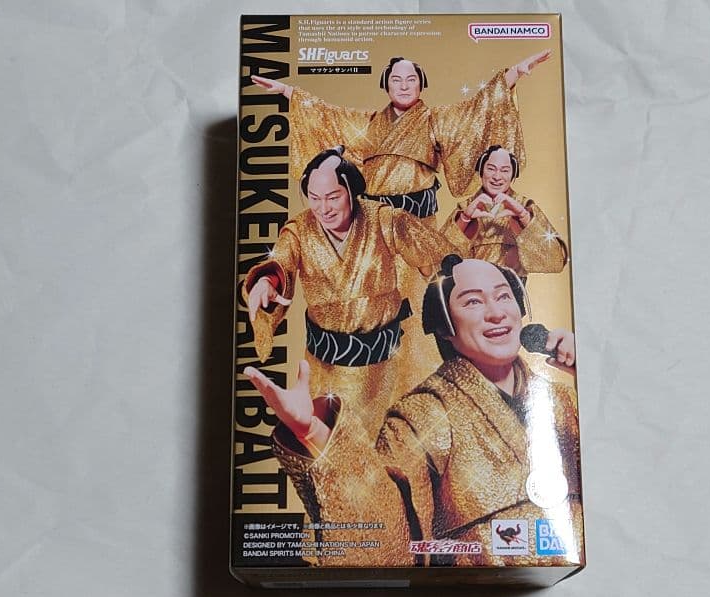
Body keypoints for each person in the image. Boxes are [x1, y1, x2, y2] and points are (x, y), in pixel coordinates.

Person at [244, 255, 583, 567]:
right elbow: (389, 527)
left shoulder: (562, 400)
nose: (497, 313)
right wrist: (313, 430)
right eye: (473, 302)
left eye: (504, 296)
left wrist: (585, 374)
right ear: (445, 328)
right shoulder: (424, 413)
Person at [243, 147, 455, 436]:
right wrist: (268, 282)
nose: (324, 208)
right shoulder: (299, 230)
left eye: (333, 197)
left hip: (382, 366)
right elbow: (281, 261)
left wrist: (459, 275)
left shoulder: (383, 219)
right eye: (314, 198)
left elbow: (436, 255)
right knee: (327, 442)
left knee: (384, 442)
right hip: (325, 365)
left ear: (352, 191)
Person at [250, 51, 551, 221]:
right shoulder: (368, 123)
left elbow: (478, 106)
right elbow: (327, 114)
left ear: (421, 85)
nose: (404, 86)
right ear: (387, 85)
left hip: (418, 215)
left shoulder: (435, 119)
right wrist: (288, 91)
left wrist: (515, 73)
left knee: (417, 293)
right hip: (373, 217)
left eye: (411, 79)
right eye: (396, 80)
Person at [442, 145, 569, 279]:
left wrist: (523, 216)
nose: (497, 177)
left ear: (513, 174)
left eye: (505, 170)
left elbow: (556, 262)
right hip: (473, 286)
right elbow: (438, 262)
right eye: (491, 169)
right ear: (481, 170)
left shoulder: (525, 206)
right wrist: (464, 219)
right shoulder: (465, 208)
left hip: (513, 287)